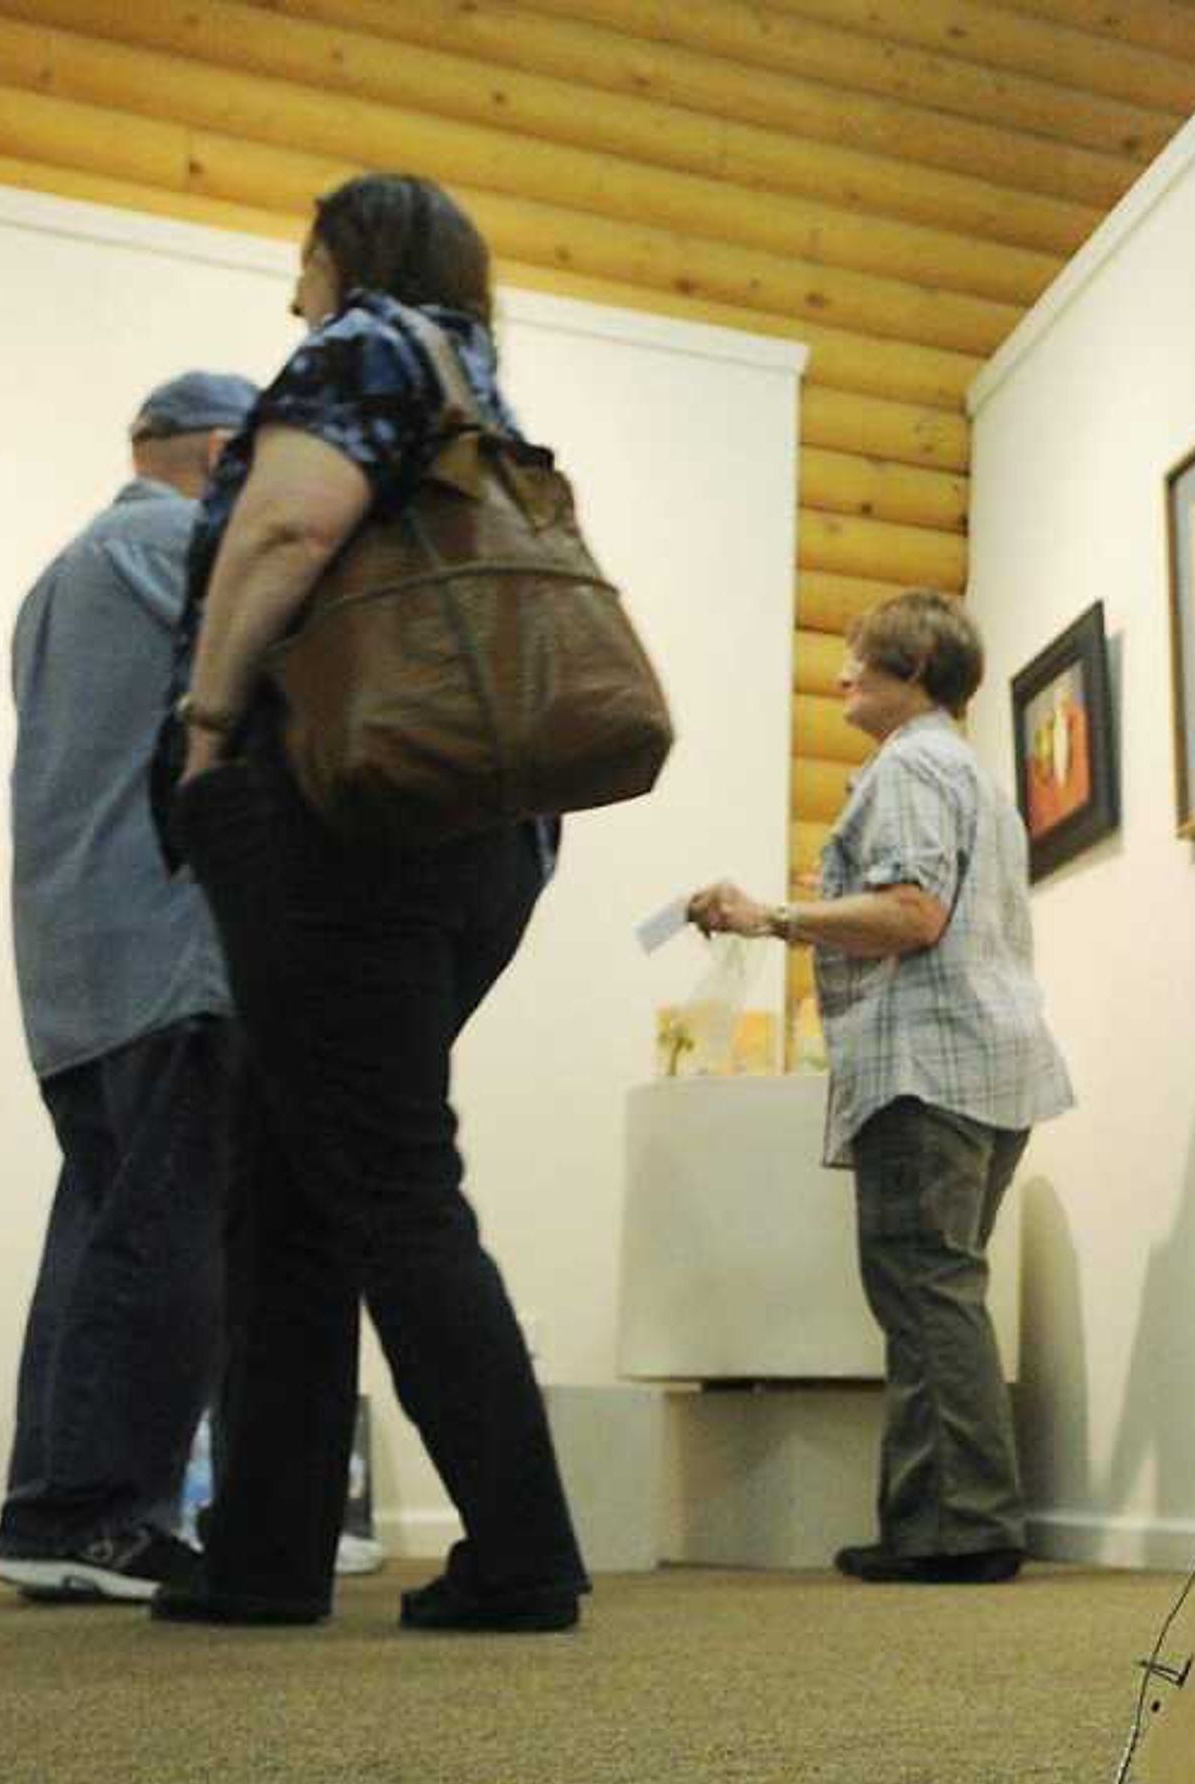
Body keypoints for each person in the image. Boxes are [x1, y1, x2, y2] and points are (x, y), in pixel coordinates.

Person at [148, 173, 589, 1633]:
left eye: (303, 256)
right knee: (288, 1182)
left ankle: (525, 1553)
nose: (290, 289)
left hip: (337, 822)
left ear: (345, 252)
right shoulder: (480, 384)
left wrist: (210, 728)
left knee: (388, 1180)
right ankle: (267, 1552)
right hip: (474, 836)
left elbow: (283, 533)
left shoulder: (365, 346)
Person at [683, 593, 1075, 1586]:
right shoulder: (973, 776)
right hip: (993, 1061)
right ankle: (934, 1521)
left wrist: (768, 916)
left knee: (924, 1289)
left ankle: (964, 1525)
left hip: (928, 1063)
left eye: (857, 661)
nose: (840, 678)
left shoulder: (906, 768)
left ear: (908, 671)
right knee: (938, 1288)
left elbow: (911, 912)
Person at [0, 369, 257, 1603]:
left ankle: (49, 1510)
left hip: (79, 959)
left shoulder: (63, 570)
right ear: (217, 453)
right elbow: (263, 693)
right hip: (168, 942)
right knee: (167, 1240)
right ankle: (104, 1515)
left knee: (102, 1235)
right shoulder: (170, 546)